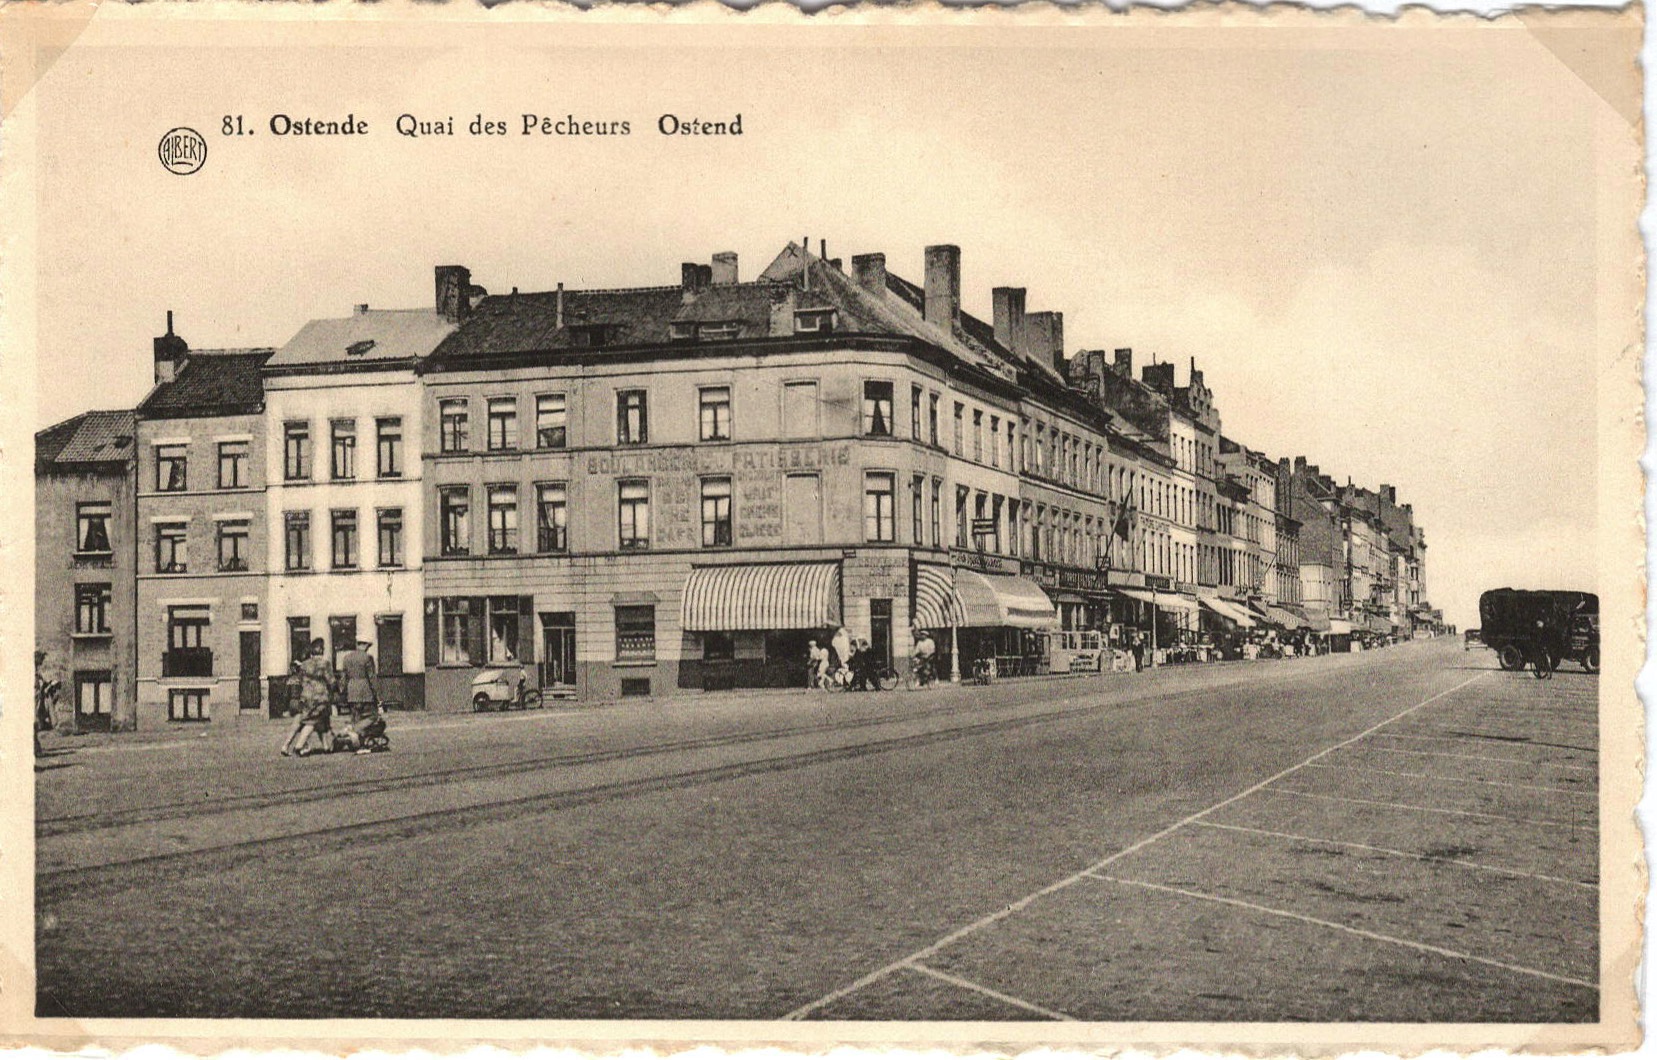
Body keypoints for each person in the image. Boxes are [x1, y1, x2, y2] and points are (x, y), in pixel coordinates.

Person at [281, 638, 335, 757]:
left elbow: (300, 680)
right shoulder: (324, 664)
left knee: (319, 720)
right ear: (322, 650)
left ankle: (326, 746)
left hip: (306, 696)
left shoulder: (304, 664)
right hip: (320, 696)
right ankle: (299, 746)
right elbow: (331, 681)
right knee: (312, 721)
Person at [338, 639, 380, 751]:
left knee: (356, 717)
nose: (368, 648)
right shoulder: (368, 658)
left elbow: (343, 678)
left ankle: (358, 744)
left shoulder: (347, 658)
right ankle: (353, 730)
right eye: (367, 646)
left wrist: (342, 692)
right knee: (372, 716)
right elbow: (371, 677)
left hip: (351, 690)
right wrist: (376, 694)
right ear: (364, 645)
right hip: (365, 690)